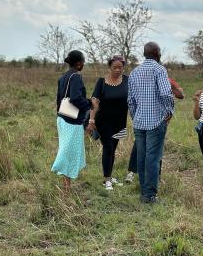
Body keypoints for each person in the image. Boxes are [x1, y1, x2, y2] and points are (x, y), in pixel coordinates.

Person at [128, 42, 174, 203]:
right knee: (153, 158)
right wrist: (169, 111)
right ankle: (149, 195)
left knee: (141, 157)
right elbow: (166, 93)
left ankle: (144, 190)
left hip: (139, 121)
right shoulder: (159, 69)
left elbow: (131, 101)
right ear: (157, 53)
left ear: (144, 53)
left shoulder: (134, 72)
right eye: (160, 52)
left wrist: (135, 117)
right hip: (156, 121)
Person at [125, 77, 184, 183]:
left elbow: (180, 95)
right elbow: (132, 99)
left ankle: (157, 176)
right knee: (138, 147)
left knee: (156, 149)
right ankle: (132, 173)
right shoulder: (142, 79)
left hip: (158, 121)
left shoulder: (166, 80)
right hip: (143, 119)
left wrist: (172, 87)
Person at [52, 50, 92, 193]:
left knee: (66, 150)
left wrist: (61, 114)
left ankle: (66, 187)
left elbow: (59, 100)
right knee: (68, 153)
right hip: (72, 122)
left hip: (62, 119)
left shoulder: (63, 77)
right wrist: (89, 103)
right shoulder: (76, 77)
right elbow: (75, 98)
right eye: (83, 61)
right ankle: (66, 187)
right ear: (79, 63)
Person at [86, 56, 128, 191]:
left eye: (120, 67)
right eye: (114, 67)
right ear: (109, 67)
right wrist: (91, 120)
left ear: (123, 67)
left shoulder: (127, 80)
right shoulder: (102, 82)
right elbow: (94, 101)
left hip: (120, 122)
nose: (117, 70)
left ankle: (109, 176)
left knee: (113, 149)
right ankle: (106, 180)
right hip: (103, 120)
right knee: (108, 148)